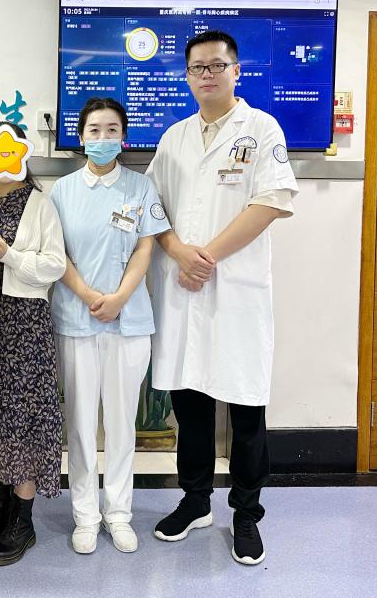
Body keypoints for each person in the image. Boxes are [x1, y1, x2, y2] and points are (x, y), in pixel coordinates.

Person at [145, 30, 298, 566]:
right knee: (189, 405)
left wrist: (204, 257)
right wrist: (177, 252)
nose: (207, 74)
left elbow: (271, 202)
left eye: (217, 65)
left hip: (234, 291)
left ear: (237, 71)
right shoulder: (175, 137)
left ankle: (246, 514)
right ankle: (194, 502)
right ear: (187, 77)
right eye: (198, 68)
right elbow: (152, 207)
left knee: (246, 408)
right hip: (182, 290)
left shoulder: (261, 129)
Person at [49, 97, 169, 555]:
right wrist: (87, 295)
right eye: (95, 130)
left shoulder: (140, 187)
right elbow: (57, 253)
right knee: (80, 425)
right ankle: (85, 515)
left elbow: (146, 249)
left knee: (121, 424)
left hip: (129, 320)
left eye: (112, 130)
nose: (103, 138)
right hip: (76, 318)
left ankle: (119, 514)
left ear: (124, 138)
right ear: (81, 137)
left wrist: (118, 299)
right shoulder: (61, 191)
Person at [0, 122, 66, 567]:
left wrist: (9, 255)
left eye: (11, 150)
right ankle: (0, 507)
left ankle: (23, 520)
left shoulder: (40, 203)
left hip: (24, 324)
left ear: (23, 155)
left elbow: (55, 265)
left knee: (23, 416)